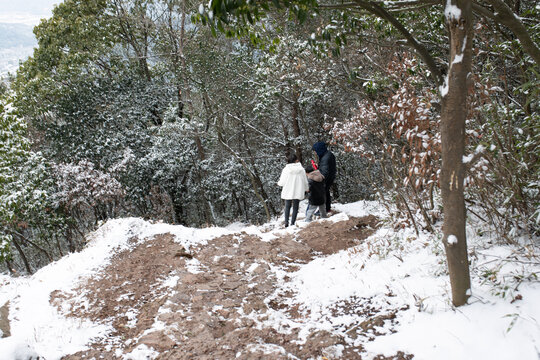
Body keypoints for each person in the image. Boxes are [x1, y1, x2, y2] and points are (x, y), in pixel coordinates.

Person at [277, 153, 309, 227]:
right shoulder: (301, 169)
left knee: (287, 206)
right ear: (296, 160)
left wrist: (278, 183)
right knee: (295, 207)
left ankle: (286, 222)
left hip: (288, 190)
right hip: (298, 190)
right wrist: (306, 188)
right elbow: (305, 181)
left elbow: (282, 182)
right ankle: (293, 223)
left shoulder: (286, 169)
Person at [312, 141, 336, 213]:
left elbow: (325, 171)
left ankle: (323, 210)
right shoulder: (327, 155)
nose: (315, 153)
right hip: (330, 177)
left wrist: (319, 178)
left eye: (316, 151)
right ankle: (327, 208)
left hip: (326, 178)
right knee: (326, 192)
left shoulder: (326, 158)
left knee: (322, 193)